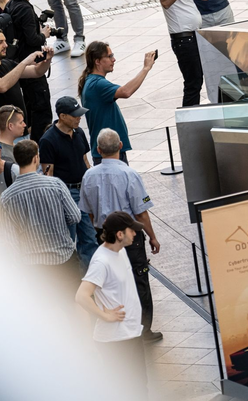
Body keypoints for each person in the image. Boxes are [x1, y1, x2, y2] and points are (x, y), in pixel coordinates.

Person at [79, 128, 162, 343]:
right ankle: (144, 330)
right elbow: (141, 212)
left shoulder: (89, 175)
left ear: (97, 150)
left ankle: (119, 322)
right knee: (139, 280)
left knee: (112, 285)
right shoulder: (129, 174)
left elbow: (88, 212)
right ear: (120, 147)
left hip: (104, 236)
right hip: (129, 237)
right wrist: (152, 236)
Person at [75, 211, 148, 397]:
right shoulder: (101, 262)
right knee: (126, 392)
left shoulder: (120, 251)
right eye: (131, 231)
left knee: (139, 388)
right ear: (120, 234)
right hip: (116, 340)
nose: (135, 234)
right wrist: (105, 315)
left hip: (131, 333)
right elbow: (82, 295)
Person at [0, 139, 82, 293]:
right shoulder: (56, 184)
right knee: (73, 306)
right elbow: (75, 216)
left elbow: (10, 241)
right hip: (63, 258)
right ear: (36, 158)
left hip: (34, 268)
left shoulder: (6, 197)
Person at [39, 96, 97, 270]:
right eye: (75, 115)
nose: (79, 118)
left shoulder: (78, 132)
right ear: (62, 116)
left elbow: (84, 160)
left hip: (82, 190)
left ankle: (91, 279)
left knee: (89, 238)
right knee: (69, 240)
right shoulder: (48, 140)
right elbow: (48, 174)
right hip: (65, 194)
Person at [78, 41, 156, 165]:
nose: (113, 59)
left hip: (108, 151)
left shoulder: (91, 81)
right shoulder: (97, 84)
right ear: (97, 61)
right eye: (109, 56)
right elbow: (126, 92)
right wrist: (146, 68)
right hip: (109, 153)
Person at [156, 0, 210, 107]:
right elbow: (165, 2)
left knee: (197, 80)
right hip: (183, 38)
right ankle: (189, 119)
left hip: (195, 35)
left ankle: (193, 115)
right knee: (193, 83)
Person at [6, 0, 54, 142]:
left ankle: (30, 144)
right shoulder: (26, 9)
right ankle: (42, 147)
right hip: (31, 64)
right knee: (41, 108)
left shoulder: (11, 4)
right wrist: (44, 34)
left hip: (19, 64)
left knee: (29, 106)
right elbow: (32, 39)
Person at [0, 31, 53, 142]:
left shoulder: (7, 64)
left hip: (20, 133)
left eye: (5, 41)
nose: (6, 45)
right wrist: (24, 62)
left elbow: (37, 72)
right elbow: (2, 86)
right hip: (4, 137)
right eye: (1, 42)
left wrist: (46, 60)